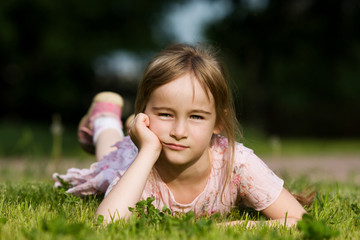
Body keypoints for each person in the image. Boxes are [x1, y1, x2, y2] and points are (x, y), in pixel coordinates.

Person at [53, 43, 309, 227]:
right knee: (110, 160)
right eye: (165, 114)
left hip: (153, 137)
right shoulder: (143, 156)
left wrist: (234, 228)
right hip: (143, 150)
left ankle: (125, 120)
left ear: (218, 121)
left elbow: (298, 220)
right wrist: (148, 150)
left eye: (196, 117)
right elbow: (106, 224)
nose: (178, 132)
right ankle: (104, 121)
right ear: (144, 112)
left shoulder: (236, 163)